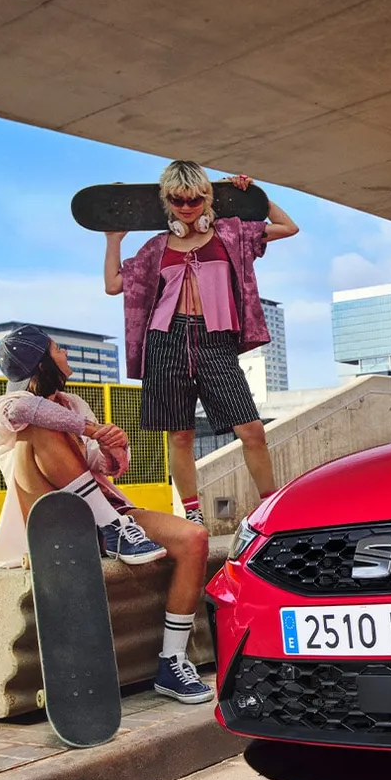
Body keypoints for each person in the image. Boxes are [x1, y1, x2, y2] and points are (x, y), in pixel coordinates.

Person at [0, 325, 215, 704]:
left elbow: (101, 466)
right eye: (57, 348)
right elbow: (26, 408)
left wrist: (115, 449)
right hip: (48, 515)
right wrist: (92, 428)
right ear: (40, 361)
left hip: (102, 510)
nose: (65, 352)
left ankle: (172, 660)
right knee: (41, 425)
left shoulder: (74, 405)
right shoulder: (7, 408)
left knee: (194, 539)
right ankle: (112, 527)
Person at [103, 162, 298, 527]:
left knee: (251, 430)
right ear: (168, 201)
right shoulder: (157, 247)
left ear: (207, 198)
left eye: (194, 198)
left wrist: (256, 198)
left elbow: (289, 227)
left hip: (215, 339)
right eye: (177, 199)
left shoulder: (231, 234)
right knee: (180, 434)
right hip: (167, 339)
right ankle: (193, 514)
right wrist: (114, 239)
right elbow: (113, 284)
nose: (187, 206)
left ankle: (270, 510)